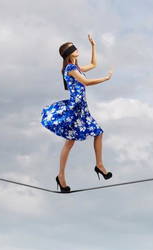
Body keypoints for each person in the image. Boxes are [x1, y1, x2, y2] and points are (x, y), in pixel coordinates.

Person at [41, 34, 113, 193]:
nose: (77, 49)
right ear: (68, 53)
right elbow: (86, 82)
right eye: (73, 48)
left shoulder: (76, 68)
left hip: (82, 109)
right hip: (75, 109)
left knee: (97, 133)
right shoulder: (70, 69)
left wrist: (93, 45)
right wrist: (105, 78)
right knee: (70, 142)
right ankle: (61, 176)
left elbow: (94, 63)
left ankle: (99, 165)